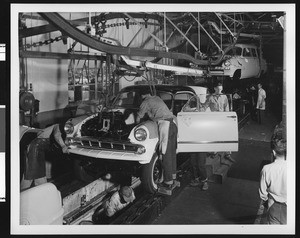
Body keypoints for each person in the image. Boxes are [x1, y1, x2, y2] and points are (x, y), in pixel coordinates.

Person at [136, 91, 178, 192]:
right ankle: (172, 177)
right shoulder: (157, 99)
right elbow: (155, 115)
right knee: (171, 153)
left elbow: (138, 117)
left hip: (165, 126)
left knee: (165, 154)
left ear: (143, 95)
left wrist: (136, 127)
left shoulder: (145, 102)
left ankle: (168, 183)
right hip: (173, 124)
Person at [21, 123, 69, 190]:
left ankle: (23, 192)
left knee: (31, 172)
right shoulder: (58, 124)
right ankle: (23, 193)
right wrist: (63, 146)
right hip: (36, 147)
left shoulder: (54, 126)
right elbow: (57, 135)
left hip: (36, 147)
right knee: (33, 173)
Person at [202, 82, 235, 163]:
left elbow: (226, 108)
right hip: (214, 120)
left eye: (221, 89)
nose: (220, 91)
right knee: (215, 135)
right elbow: (204, 107)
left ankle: (228, 154)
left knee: (226, 136)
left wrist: (227, 118)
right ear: (215, 88)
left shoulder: (224, 97)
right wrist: (198, 110)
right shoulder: (210, 97)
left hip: (223, 119)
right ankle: (214, 151)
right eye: (219, 89)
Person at [259, 138, 287, 224]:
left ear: (274, 152)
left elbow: (263, 193)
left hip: (273, 205)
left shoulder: (267, 169)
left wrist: (266, 200)